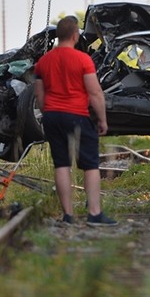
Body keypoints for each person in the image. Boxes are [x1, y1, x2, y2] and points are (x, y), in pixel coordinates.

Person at [34, 16, 118, 227]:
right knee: (90, 165)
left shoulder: (43, 62)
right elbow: (95, 93)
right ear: (75, 35)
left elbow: (40, 98)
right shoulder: (82, 59)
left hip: (52, 116)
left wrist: (51, 113)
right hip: (77, 116)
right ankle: (94, 214)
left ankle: (68, 216)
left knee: (61, 164)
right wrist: (102, 120)